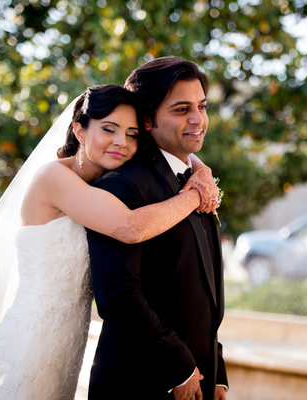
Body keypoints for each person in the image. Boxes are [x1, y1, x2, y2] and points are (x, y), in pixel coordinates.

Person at [0, 84, 219, 400]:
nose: (121, 142)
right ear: (79, 130)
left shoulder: (105, 181)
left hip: (68, 342)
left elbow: (175, 158)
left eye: (132, 134)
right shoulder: (53, 177)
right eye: (108, 129)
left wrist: (200, 169)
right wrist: (196, 194)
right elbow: (130, 228)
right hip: (32, 338)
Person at [87, 57, 228, 400]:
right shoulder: (123, 186)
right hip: (142, 382)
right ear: (147, 119)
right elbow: (118, 294)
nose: (197, 119)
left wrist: (217, 373)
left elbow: (201, 289)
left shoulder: (198, 183)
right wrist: (177, 368)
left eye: (202, 106)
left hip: (199, 380)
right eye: (182, 109)